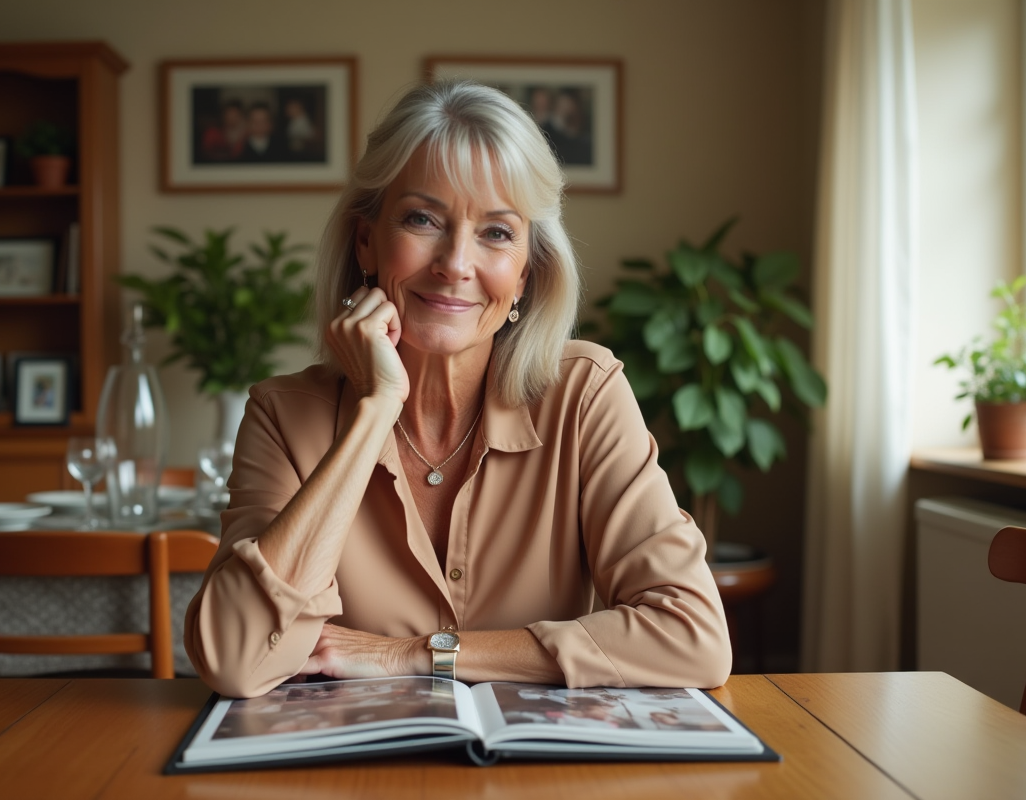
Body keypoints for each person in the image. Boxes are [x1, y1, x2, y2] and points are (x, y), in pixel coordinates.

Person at [185, 79, 731, 699]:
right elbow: (235, 658)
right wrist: (371, 415)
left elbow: (693, 637)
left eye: (497, 233)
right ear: (366, 240)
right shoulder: (282, 415)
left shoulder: (585, 392)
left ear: (525, 273)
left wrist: (413, 656)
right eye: (422, 219)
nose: (455, 263)